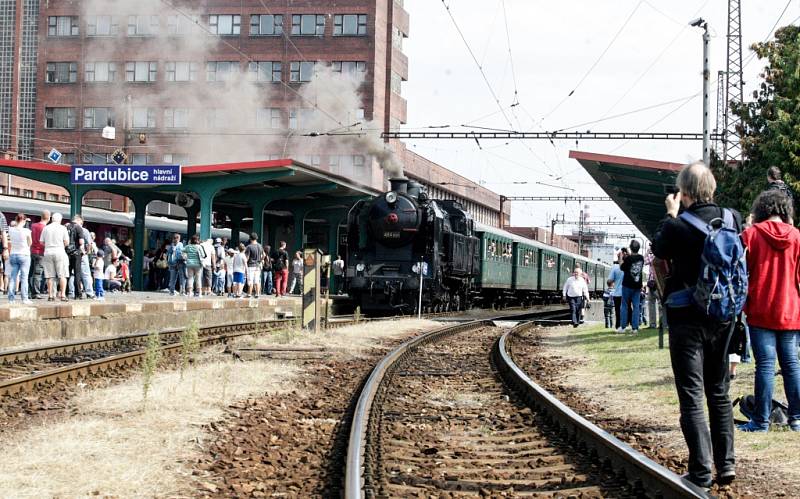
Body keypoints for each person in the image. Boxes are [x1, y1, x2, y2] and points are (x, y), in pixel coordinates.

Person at [652, 162, 739, 488]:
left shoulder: (678, 225)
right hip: (723, 317)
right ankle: (726, 465)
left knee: (691, 395)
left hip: (687, 318)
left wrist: (671, 214)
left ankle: (701, 471)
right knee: (719, 392)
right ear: (712, 188)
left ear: (683, 192)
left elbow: (659, 249)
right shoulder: (732, 218)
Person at [737, 190, 800, 433]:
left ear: (761, 209)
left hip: (760, 308)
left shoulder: (751, 234)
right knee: (792, 365)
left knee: (764, 365)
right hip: (791, 309)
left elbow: (740, 271)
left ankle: (761, 421)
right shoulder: (796, 237)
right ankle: (796, 419)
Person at [40, 212, 70, 301]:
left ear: (52, 219)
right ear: (60, 220)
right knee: (62, 275)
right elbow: (67, 242)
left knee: (50, 276)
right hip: (60, 252)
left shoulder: (46, 228)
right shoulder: (63, 228)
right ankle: (63, 295)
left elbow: (41, 242)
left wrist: (48, 245)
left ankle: (50, 295)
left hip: (48, 252)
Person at [618, 240, 644, 334]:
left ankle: (623, 327)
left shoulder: (628, 259)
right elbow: (633, 259)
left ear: (631, 248)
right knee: (636, 306)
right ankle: (635, 328)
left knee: (624, 305)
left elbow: (622, 267)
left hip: (627, 285)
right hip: (637, 286)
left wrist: (621, 258)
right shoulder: (641, 258)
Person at [7, 213, 32, 304]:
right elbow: (30, 243)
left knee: (13, 277)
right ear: (24, 220)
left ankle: (11, 299)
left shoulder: (11, 230)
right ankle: (25, 298)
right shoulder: (26, 231)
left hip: (13, 254)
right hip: (24, 255)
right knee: (24, 277)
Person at [28, 210, 48, 299]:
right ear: (48, 217)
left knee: (31, 272)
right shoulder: (46, 228)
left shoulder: (33, 226)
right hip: (41, 252)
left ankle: (30, 290)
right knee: (38, 273)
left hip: (32, 251)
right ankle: (35, 293)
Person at [65, 215, 85, 299]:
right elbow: (81, 242)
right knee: (77, 273)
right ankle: (78, 294)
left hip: (67, 253)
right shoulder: (79, 228)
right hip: (76, 253)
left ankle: (65, 292)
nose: (82, 224)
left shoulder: (66, 226)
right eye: (82, 223)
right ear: (79, 220)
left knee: (67, 273)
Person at [243, 233, 264, 298]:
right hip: (257, 266)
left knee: (250, 280)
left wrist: (244, 264)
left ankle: (249, 294)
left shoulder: (249, 247)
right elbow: (264, 255)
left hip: (251, 265)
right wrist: (260, 260)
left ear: (250, 238)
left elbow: (247, 257)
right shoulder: (260, 246)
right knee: (257, 280)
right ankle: (257, 294)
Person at [609, 251, 625, 330]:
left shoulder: (615, 268)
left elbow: (609, 281)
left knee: (617, 310)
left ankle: (618, 325)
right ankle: (625, 324)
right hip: (626, 292)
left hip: (617, 293)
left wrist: (611, 282)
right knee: (626, 309)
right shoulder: (628, 267)